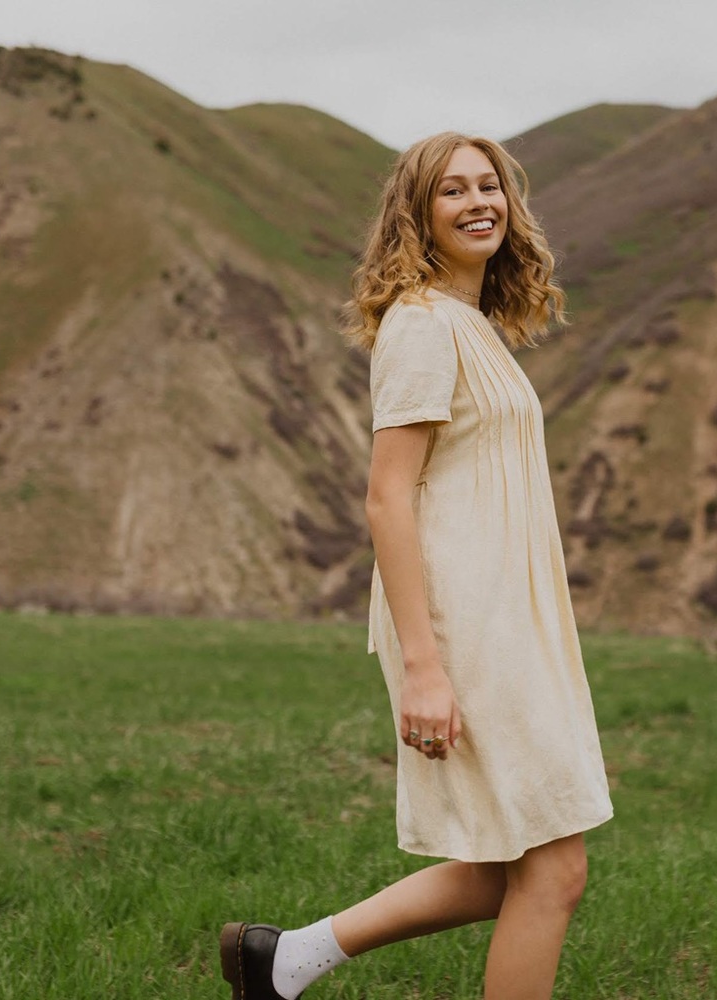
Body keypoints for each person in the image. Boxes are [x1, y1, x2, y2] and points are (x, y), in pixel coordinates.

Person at [219, 132, 613, 1000]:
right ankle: (285, 961)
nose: (479, 202)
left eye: (490, 186)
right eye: (452, 191)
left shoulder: (471, 325)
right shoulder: (424, 325)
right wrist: (426, 669)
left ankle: (282, 961)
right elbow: (387, 499)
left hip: (508, 620)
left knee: (495, 869)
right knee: (554, 873)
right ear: (418, 215)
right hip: (464, 626)